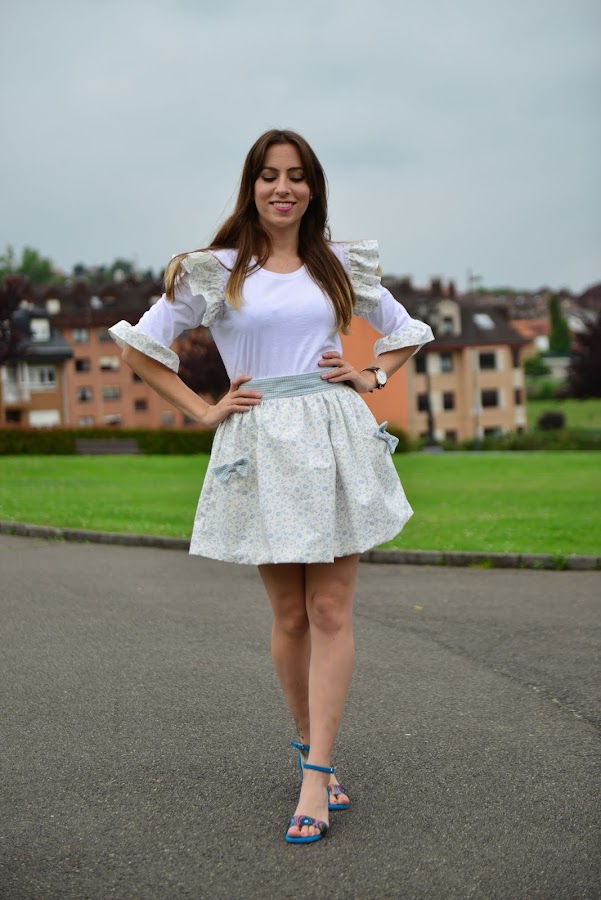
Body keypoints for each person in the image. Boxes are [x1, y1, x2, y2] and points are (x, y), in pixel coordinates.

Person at [109, 128, 434, 844]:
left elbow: (408, 329)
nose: (282, 188)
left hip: (333, 435)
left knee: (330, 611)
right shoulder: (214, 270)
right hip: (259, 443)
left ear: (312, 188)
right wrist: (203, 410)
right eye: (268, 175)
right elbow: (138, 348)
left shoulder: (338, 264)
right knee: (290, 617)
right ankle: (308, 744)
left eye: (295, 175)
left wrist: (371, 375)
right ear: (251, 186)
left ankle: (317, 775)